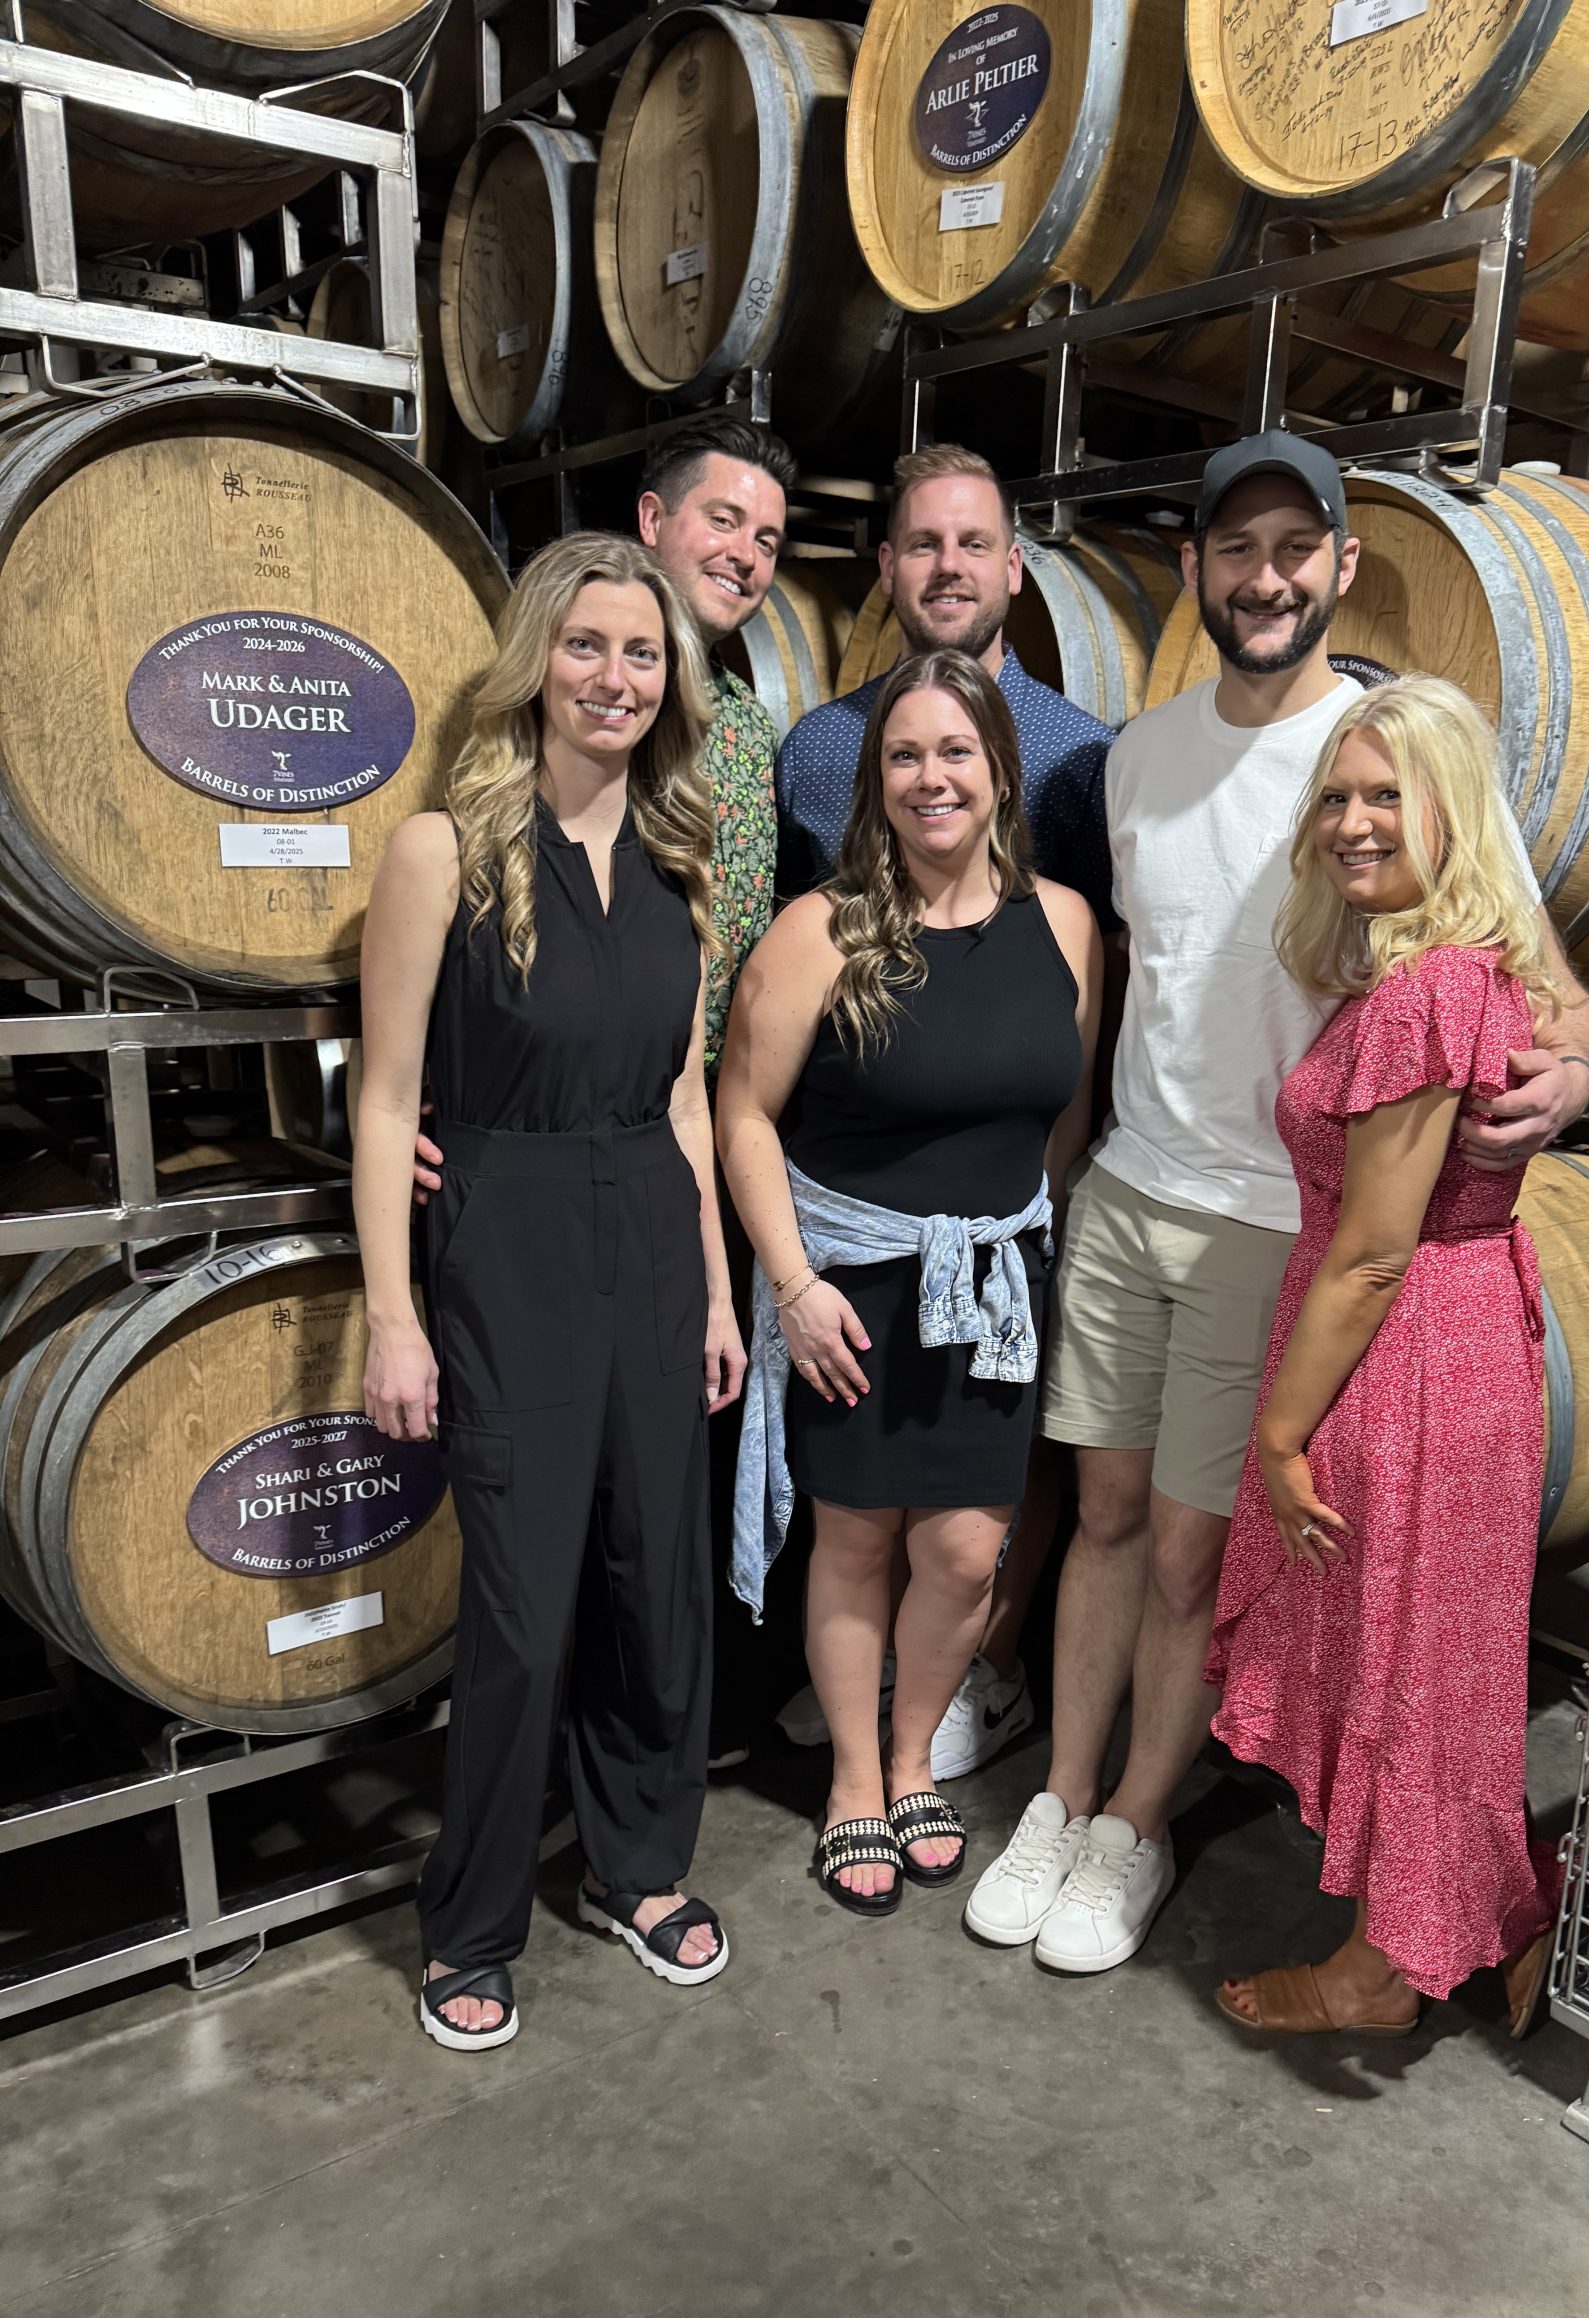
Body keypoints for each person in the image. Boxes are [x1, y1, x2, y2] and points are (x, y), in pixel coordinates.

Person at [965, 430, 1589, 1975]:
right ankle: (1058, 1796)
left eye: (1294, 549)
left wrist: (1574, 1065)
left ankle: (1138, 1822)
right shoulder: (1131, 756)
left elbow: (1533, 964)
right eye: (1235, 551)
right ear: (1193, 572)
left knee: (1195, 1552)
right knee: (1102, 1518)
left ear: (1341, 566)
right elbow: (1123, 985)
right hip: (1129, 1190)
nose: (1265, 578)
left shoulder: (1391, 746)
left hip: (1276, 1224)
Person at [357, 532, 745, 2052]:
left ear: (673, 680)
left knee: (658, 1580)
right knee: (521, 1612)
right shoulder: (441, 852)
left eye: (642, 654)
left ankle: (639, 1870)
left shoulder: (679, 862)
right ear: (534, 662)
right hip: (504, 1232)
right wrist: (394, 1313)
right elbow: (388, 1101)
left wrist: (713, 1295)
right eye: (586, 646)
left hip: (651, 1231)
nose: (615, 677)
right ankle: (471, 1920)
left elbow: (689, 1106)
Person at [411, 420, 797, 1770]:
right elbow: (419, 1006)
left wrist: (715, 1267)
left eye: (768, 537)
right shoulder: (477, 803)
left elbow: (710, 1052)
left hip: (667, 1149)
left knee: (658, 1548)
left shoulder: (728, 764)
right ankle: (501, 1861)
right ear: (651, 521)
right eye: (722, 522)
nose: (744, 553)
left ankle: (642, 1829)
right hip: (526, 1174)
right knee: (530, 1563)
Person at [1207, 676, 1561, 2037]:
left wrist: (1280, 1435)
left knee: (1410, 1662)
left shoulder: (1427, 990)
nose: (1354, 824)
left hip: (1406, 1354)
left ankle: (1384, 1970)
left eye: (1386, 797)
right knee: (1441, 1657)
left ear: (1449, 812)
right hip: (1462, 1340)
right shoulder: (1470, 965)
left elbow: (1368, 1252)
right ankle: (1501, 1903)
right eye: (1338, 798)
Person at [721, 650, 1100, 1912]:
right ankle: (852, 1785)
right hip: (855, 1295)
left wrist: (1010, 1243)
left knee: (964, 1552)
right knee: (855, 1542)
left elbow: (1065, 1112)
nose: (931, 778)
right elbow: (744, 1114)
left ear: (1000, 767)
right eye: (904, 755)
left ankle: (913, 1751)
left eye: (955, 752)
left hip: (991, 1293)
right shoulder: (819, 931)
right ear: (873, 781)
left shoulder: (1064, 923)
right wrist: (791, 1280)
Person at [773, 443, 1117, 1772]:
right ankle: (881, 1679)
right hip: (860, 1174)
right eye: (922, 544)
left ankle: (987, 1664)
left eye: (974, 544)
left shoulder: (1081, 755)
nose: (949, 567)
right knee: (863, 1481)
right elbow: (795, 952)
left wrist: (1050, 1181)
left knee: (996, 1468)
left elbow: (1091, 974)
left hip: (1004, 1164)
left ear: (1015, 567)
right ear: (887, 568)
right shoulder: (818, 747)